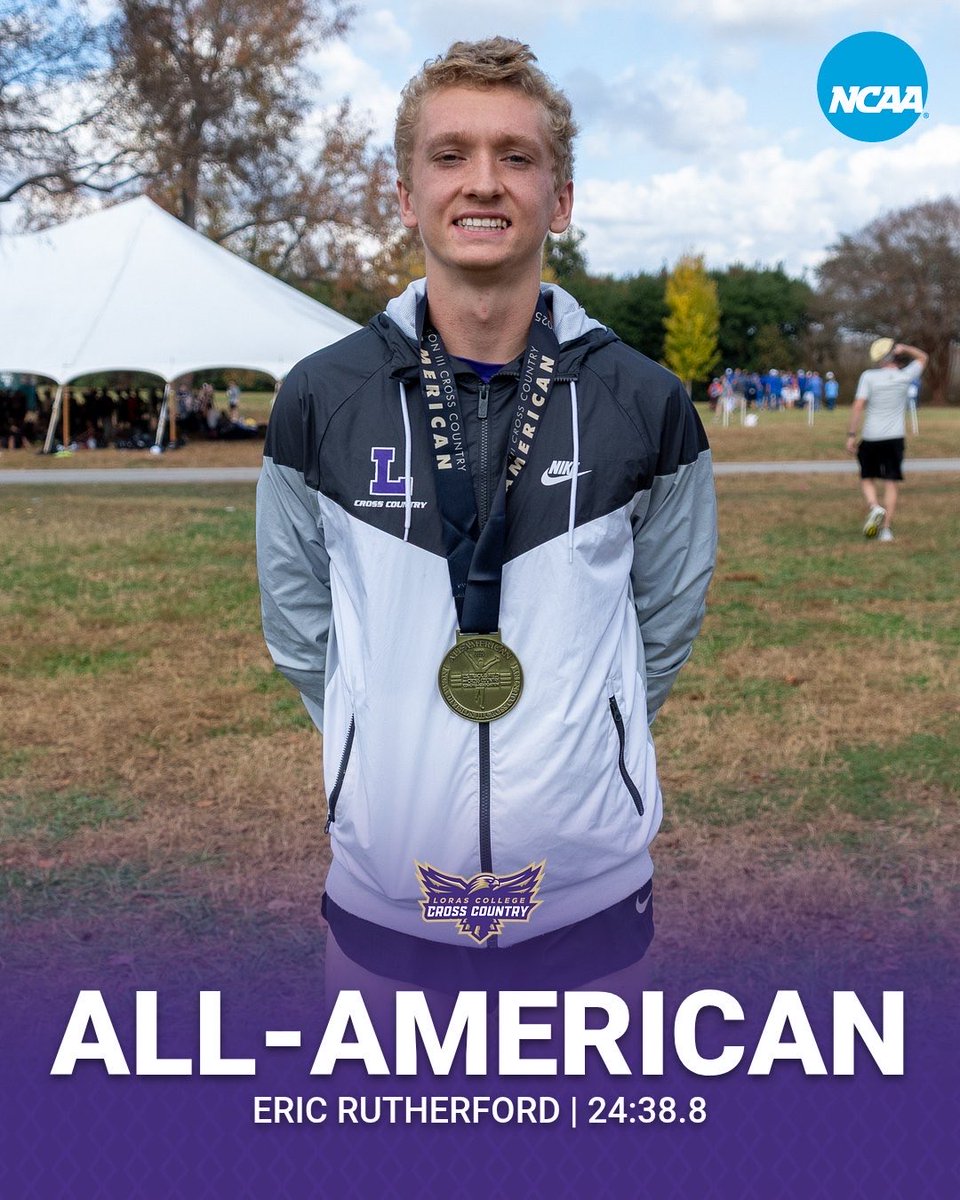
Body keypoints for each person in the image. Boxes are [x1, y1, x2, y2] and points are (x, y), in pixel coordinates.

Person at [256, 37, 717, 1004]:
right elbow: (301, 628)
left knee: (591, 1149)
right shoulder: (321, 396)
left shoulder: (646, 400)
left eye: (517, 156)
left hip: (587, 894)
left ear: (562, 197)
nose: (485, 182)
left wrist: (589, 733)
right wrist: (372, 743)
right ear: (404, 193)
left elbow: (662, 623)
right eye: (451, 154)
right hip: (387, 893)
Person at [846, 338, 927, 541]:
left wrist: (851, 434)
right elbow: (923, 357)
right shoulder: (905, 376)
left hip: (872, 436)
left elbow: (858, 406)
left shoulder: (869, 377)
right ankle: (886, 530)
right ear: (895, 356)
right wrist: (905, 348)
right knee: (891, 483)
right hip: (895, 437)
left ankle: (874, 507)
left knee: (867, 478)